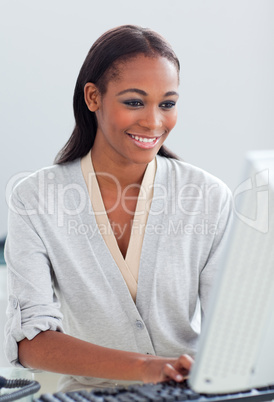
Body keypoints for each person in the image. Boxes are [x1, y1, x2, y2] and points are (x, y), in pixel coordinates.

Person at [4, 25, 232, 391]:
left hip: (192, 394)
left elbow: (232, 328)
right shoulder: (35, 198)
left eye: (168, 103)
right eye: (134, 101)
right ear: (93, 97)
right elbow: (30, 343)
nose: (154, 121)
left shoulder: (208, 196)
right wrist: (149, 368)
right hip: (88, 395)